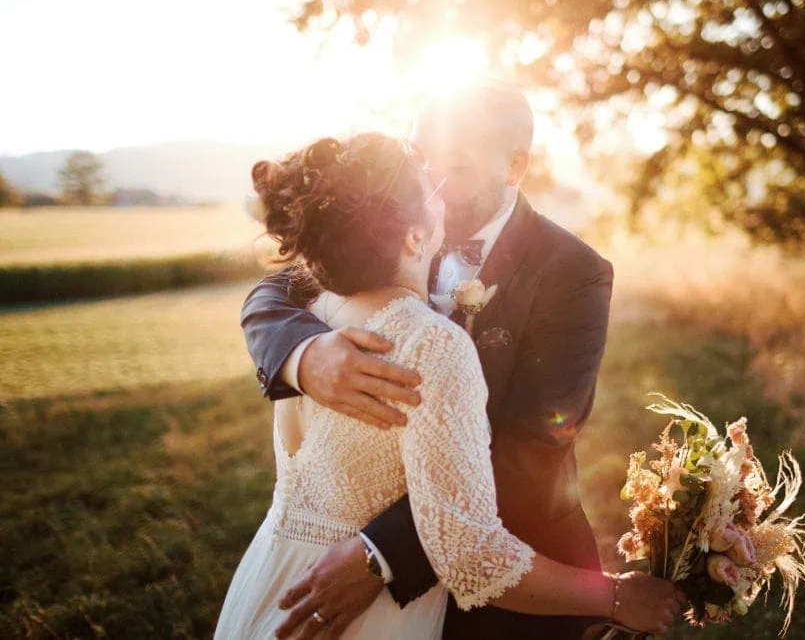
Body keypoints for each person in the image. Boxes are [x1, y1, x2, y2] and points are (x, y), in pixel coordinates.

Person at [237, 80, 668, 639]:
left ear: (514, 166)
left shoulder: (572, 272)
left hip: (509, 580)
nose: (434, 182)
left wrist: (381, 554)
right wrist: (305, 354)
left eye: (456, 168)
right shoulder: (382, 222)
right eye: (423, 160)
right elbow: (271, 295)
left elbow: (533, 447)